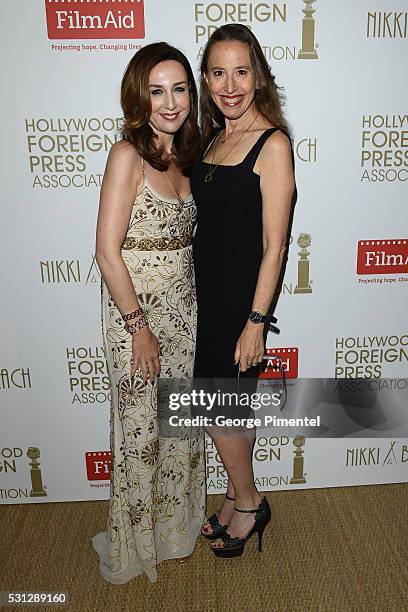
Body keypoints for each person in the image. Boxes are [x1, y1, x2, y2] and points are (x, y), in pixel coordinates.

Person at [92, 43, 206, 584]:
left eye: (180, 88)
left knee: (178, 428)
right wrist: (139, 329)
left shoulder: (188, 156)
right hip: (135, 317)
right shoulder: (126, 156)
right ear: (139, 96)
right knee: (140, 433)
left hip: (185, 314)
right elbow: (107, 251)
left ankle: (172, 532)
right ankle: (133, 546)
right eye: (157, 90)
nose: (170, 101)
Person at [191, 24, 295, 558]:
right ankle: (235, 494)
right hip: (203, 301)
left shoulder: (271, 143)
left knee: (218, 409)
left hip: (238, 306)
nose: (229, 84)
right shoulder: (213, 136)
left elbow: (275, 246)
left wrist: (256, 322)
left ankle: (251, 503)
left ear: (257, 77)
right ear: (206, 79)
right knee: (227, 408)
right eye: (217, 72)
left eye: (240, 71)